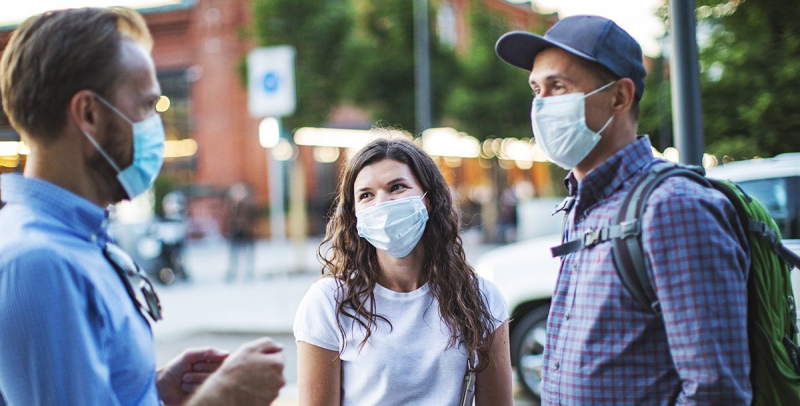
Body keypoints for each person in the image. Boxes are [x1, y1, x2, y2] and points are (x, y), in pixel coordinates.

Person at [0, 7, 284, 405]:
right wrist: (225, 397)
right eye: (147, 107)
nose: (156, 127)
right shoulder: (39, 263)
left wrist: (152, 389)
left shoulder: (80, 238)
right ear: (89, 113)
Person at [495, 15, 750, 404]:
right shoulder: (586, 202)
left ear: (620, 96)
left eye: (558, 86)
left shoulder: (673, 208)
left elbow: (716, 391)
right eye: (536, 89)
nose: (541, 106)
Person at [293, 137, 513, 405]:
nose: (382, 204)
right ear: (355, 217)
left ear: (428, 200)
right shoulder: (329, 302)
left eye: (396, 187)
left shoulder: (480, 297)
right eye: (366, 195)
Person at [225, 182, 257, 281]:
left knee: (249, 252)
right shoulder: (232, 204)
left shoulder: (248, 204)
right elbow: (229, 218)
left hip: (246, 231)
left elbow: (253, 218)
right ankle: (233, 270)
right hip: (236, 231)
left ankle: (249, 270)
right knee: (234, 252)